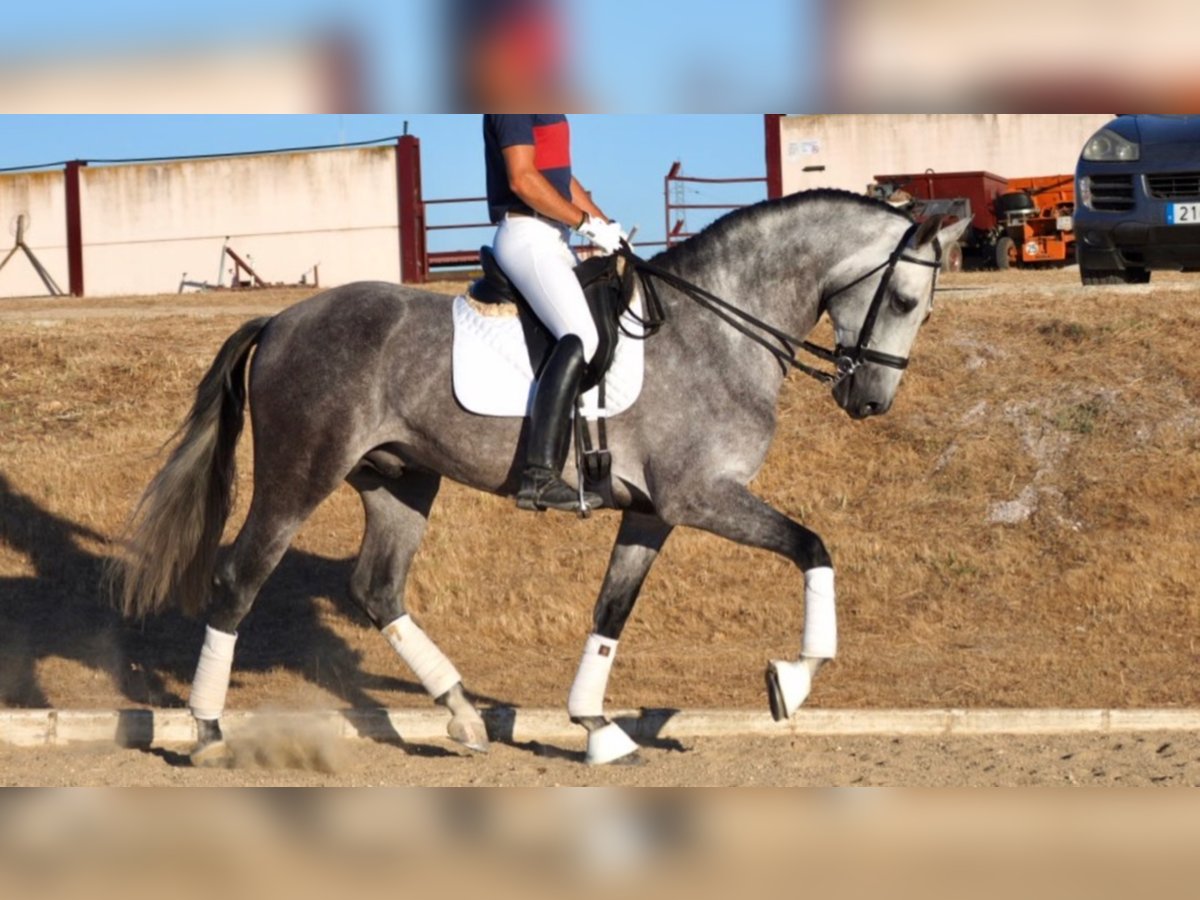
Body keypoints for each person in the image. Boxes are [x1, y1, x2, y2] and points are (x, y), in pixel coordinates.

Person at [483, 114, 624, 514]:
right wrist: (585, 225)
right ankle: (539, 475)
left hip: (554, 236)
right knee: (582, 335)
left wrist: (602, 224)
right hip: (527, 236)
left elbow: (562, 180)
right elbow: (523, 180)